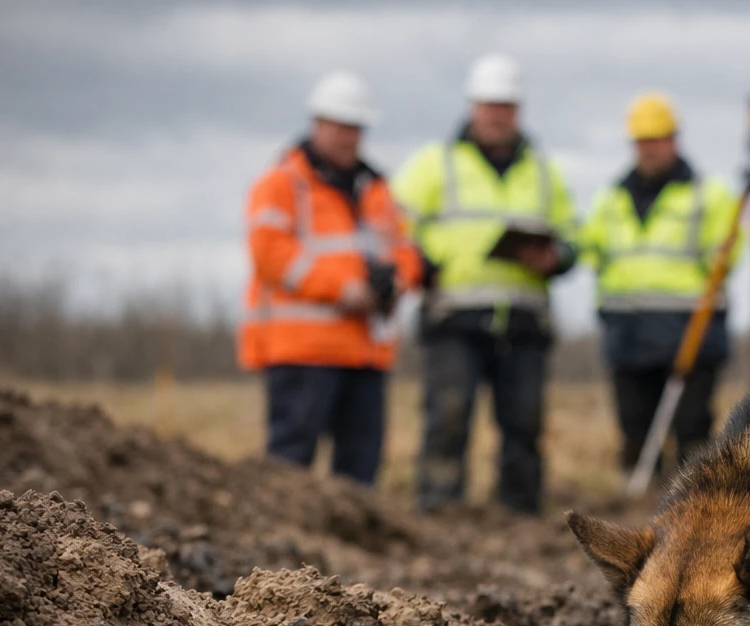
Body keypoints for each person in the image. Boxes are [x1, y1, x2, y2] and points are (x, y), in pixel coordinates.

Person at [393, 54, 577, 513]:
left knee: (524, 423)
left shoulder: (543, 171)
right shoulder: (434, 165)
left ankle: (519, 512)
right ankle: (439, 510)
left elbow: (574, 236)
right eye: (490, 105)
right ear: (474, 106)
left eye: (507, 106)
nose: (498, 115)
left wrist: (554, 258)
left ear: (519, 111)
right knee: (447, 418)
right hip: (453, 316)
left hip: (524, 320)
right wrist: (422, 264)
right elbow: (392, 225)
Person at [238, 71, 420, 486]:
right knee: (289, 466)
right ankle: (284, 544)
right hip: (303, 352)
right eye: (339, 126)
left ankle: (349, 551)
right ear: (316, 123)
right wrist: (343, 290)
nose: (348, 137)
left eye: (355, 128)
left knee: (360, 470)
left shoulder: (378, 191)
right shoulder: (281, 183)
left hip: (365, 353)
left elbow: (406, 251)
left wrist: (395, 285)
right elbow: (271, 254)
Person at [578, 93, 740, 473]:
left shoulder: (709, 196)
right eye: (641, 141)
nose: (648, 149)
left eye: (655, 139)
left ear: (673, 139)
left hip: (689, 335)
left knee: (692, 436)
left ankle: (694, 519)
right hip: (628, 335)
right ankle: (634, 515)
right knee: (634, 431)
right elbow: (589, 249)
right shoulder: (610, 198)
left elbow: (727, 257)